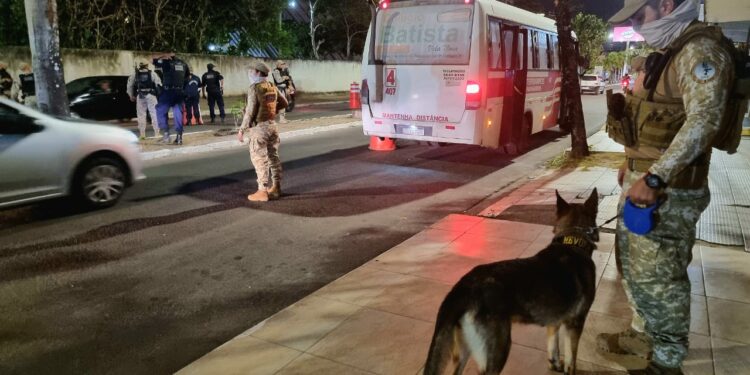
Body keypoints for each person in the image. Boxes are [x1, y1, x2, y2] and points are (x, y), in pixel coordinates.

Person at [601, 1, 735, 374]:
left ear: (665, 4)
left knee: (662, 278)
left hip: (669, 192)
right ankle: (644, 336)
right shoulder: (674, 49)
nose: (638, 28)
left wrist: (655, 176)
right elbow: (650, 116)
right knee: (636, 269)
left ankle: (666, 362)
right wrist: (631, 164)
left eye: (639, 17)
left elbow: (704, 121)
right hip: (646, 183)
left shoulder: (700, 51)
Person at [238, 62, 284, 202]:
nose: (250, 73)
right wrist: (270, 112)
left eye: (251, 71)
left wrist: (242, 130)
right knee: (273, 158)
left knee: (259, 159)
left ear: (258, 72)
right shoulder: (271, 86)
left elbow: (250, 112)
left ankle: (262, 191)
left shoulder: (255, 88)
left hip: (259, 129)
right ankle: (276, 187)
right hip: (272, 126)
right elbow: (284, 103)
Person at [153, 53, 188, 145]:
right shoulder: (184, 64)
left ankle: (166, 135)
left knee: (160, 111)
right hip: (179, 92)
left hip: (168, 92)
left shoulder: (166, 63)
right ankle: (179, 137)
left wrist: (163, 55)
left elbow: (154, 60)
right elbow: (187, 77)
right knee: (178, 113)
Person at [127, 60, 162, 139]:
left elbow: (129, 86)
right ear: (147, 65)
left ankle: (142, 135)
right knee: (154, 113)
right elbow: (159, 84)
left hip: (140, 95)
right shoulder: (152, 73)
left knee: (141, 115)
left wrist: (131, 95)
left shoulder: (134, 74)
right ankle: (157, 133)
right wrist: (158, 94)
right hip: (151, 95)